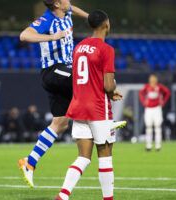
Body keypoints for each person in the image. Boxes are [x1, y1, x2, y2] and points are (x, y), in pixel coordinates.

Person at [17, 0, 126, 188]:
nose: (69, 1)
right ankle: (104, 123)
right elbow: (24, 35)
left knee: (60, 123)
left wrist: (89, 17)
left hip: (63, 71)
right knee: (89, 79)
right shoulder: (47, 20)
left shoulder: (65, 12)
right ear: (58, 4)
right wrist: (53, 37)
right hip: (54, 70)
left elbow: (72, 9)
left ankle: (30, 162)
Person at [55, 10, 121, 200]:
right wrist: (113, 89)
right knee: (105, 156)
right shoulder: (106, 49)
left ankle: (63, 195)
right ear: (106, 24)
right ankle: (108, 198)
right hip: (98, 109)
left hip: (79, 107)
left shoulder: (79, 47)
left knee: (83, 157)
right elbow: (108, 85)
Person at [139, 74, 170, 151]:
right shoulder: (147, 87)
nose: (152, 81)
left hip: (157, 108)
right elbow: (140, 93)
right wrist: (143, 102)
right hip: (148, 109)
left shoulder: (159, 87)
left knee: (157, 127)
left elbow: (167, 92)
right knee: (148, 127)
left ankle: (158, 146)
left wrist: (163, 102)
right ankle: (148, 145)